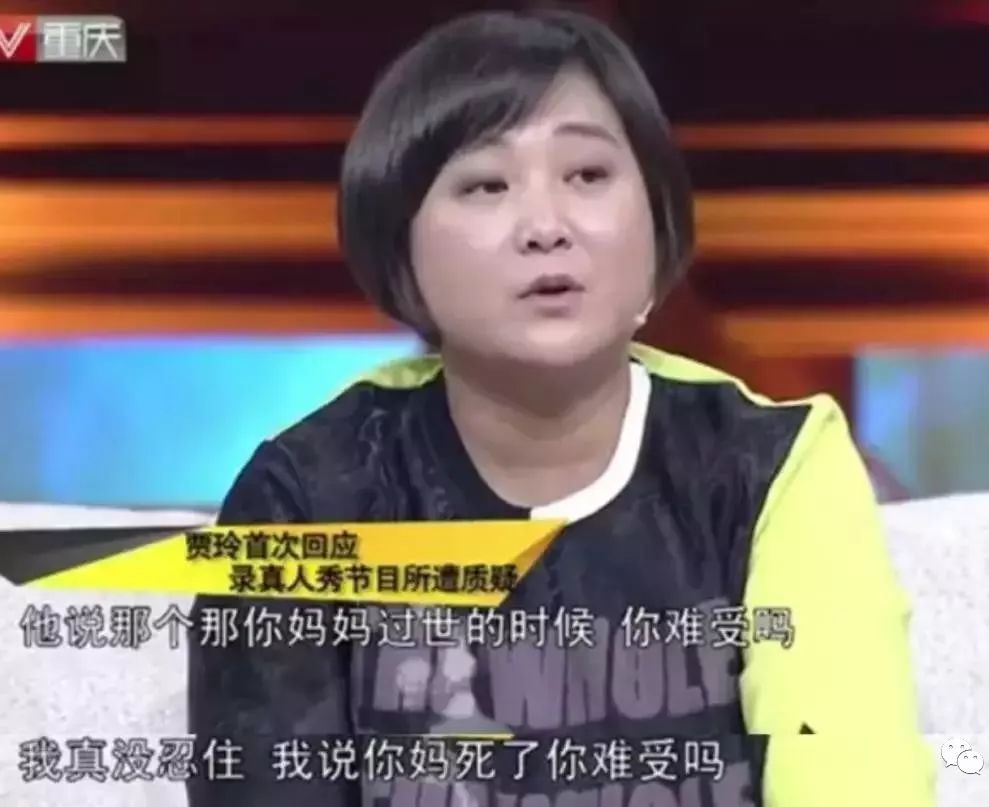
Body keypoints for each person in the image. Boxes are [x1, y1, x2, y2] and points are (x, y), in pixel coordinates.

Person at [187, 9, 936, 807]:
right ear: (400, 249)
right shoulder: (307, 495)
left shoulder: (772, 468)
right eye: (486, 185)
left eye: (587, 175)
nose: (545, 227)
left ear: (656, 220)